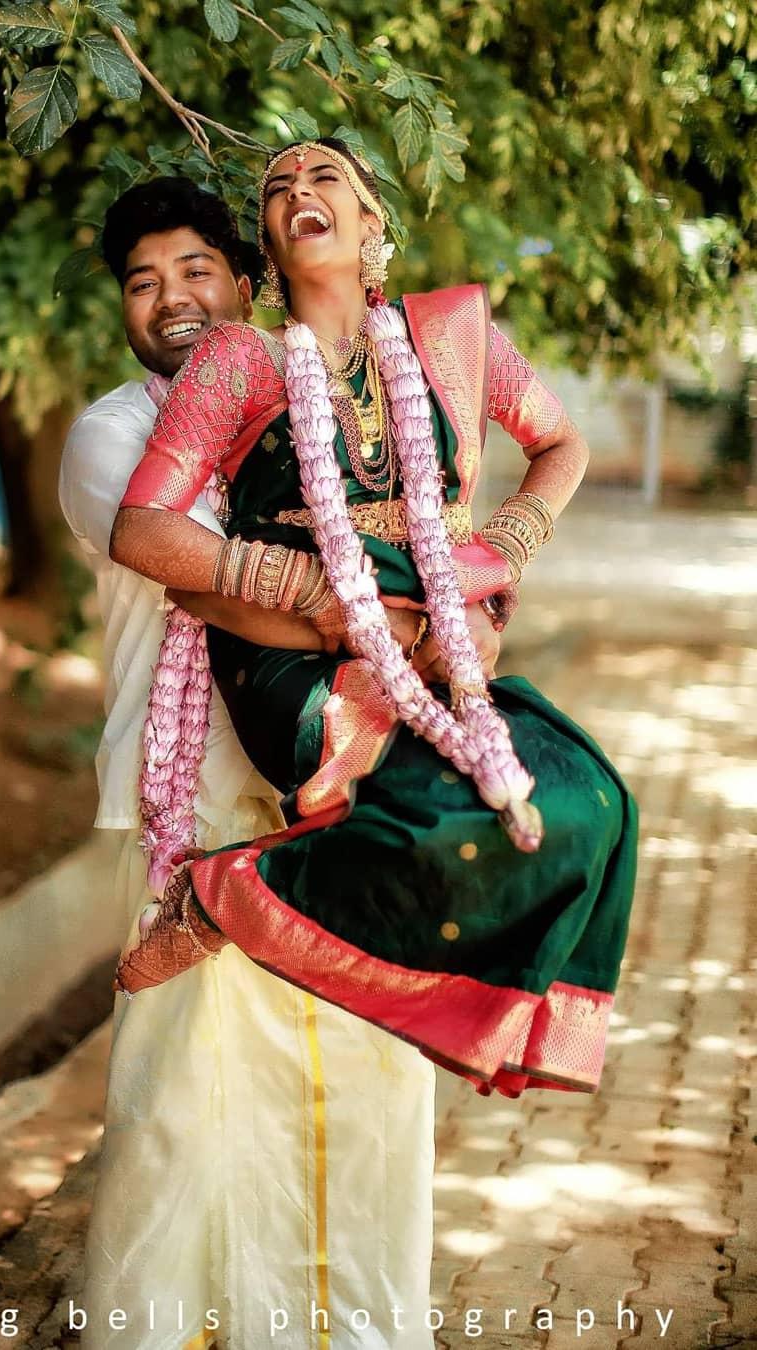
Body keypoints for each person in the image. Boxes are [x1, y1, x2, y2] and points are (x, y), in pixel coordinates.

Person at [110, 139, 639, 1102]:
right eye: (276, 189)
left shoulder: (451, 343)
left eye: (323, 181)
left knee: (590, 801)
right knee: (440, 821)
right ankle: (218, 898)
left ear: (371, 224)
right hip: (294, 667)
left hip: (434, 649)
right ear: (267, 245)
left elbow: (563, 442)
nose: (297, 192)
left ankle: (484, 1012)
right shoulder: (239, 360)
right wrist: (320, 596)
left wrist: (500, 555)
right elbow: (142, 530)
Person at [59, 178, 452, 1348]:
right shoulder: (112, 436)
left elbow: (429, 535)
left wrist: (439, 606)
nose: (171, 300)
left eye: (195, 272)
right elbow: (190, 566)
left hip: (347, 793)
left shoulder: (336, 398)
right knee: (183, 1119)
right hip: (198, 817)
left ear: (244, 282)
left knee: (368, 1098)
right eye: (143, 282)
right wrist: (358, 612)